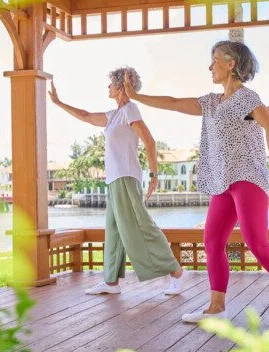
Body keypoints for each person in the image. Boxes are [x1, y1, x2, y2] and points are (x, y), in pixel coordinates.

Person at [123, 41, 269, 330]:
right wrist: (136, 95)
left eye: (214, 61)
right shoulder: (210, 102)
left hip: (247, 176)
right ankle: (217, 307)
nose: (210, 66)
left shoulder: (247, 99)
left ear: (230, 64)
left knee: (256, 242)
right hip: (223, 180)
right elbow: (171, 103)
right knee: (212, 241)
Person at [49, 67, 187, 295]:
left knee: (141, 226)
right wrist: (59, 102)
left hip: (126, 176)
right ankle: (111, 282)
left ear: (121, 87)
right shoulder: (113, 116)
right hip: (114, 180)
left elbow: (150, 142)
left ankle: (176, 272)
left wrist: (154, 175)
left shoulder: (130, 110)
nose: (108, 88)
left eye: (111, 84)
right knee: (113, 230)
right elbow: (85, 115)